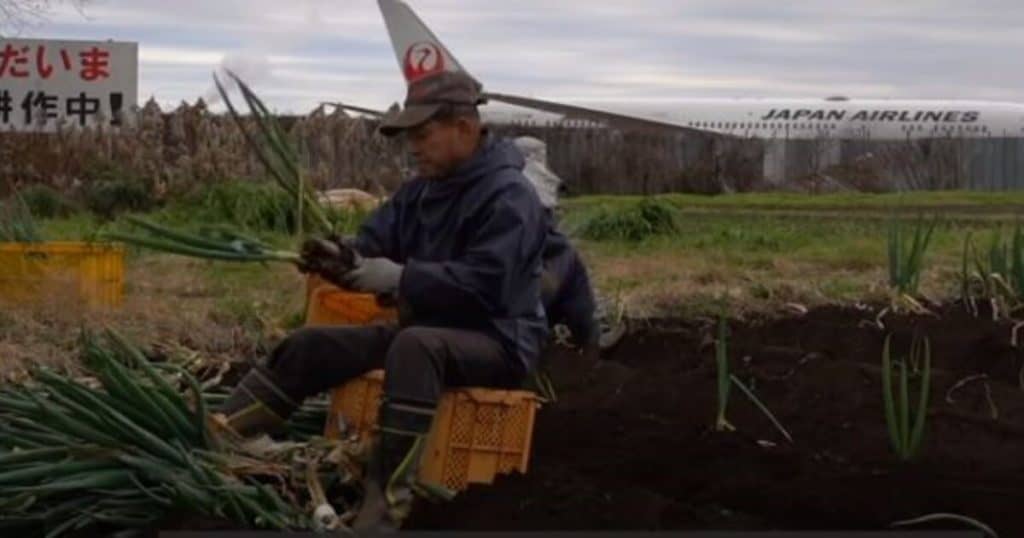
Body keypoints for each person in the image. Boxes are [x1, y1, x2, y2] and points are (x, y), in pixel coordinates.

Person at [213, 70, 550, 531]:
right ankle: (224, 437)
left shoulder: (510, 198)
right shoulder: (421, 193)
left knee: (414, 347)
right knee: (311, 344)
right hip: (424, 332)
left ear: (465, 129)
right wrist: (339, 255)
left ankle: (385, 506)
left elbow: (487, 284)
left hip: (498, 341)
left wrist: (403, 278)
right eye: (409, 136)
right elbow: (374, 241)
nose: (413, 147)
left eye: (423, 134)